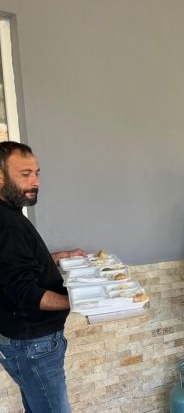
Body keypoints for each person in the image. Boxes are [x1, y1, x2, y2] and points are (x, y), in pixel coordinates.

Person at [0, 141, 86, 413]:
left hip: (27, 342)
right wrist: (80, 302)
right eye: (25, 174)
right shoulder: (7, 224)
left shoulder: (10, 215)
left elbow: (15, 263)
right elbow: (24, 291)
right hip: (32, 345)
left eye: (37, 173)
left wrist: (59, 256)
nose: (35, 181)